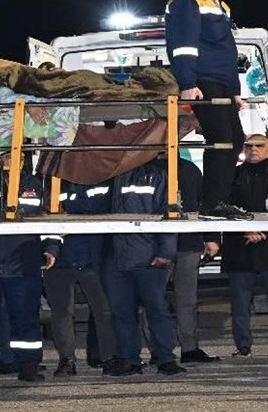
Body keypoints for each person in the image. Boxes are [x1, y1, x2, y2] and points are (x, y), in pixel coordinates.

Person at [164, 0, 249, 220]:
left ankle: (218, 200)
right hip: (202, 81)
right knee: (221, 139)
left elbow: (227, 52)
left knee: (235, 140)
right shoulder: (187, 1)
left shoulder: (221, 7)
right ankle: (212, 203)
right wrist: (187, 84)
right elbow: (183, 46)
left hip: (222, 83)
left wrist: (234, 90)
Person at [0, 158, 60, 384]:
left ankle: (28, 366)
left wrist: (51, 247)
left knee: (25, 318)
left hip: (23, 262)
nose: (10, 158)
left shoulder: (35, 184)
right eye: (5, 153)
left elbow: (49, 217)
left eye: (14, 152)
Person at [102, 160, 187, 376]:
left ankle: (165, 358)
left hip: (147, 256)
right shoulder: (108, 174)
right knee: (121, 312)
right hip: (117, 257)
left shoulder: (156, 175)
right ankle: (129, 359)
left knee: (157, 310)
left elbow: (169, 212)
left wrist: (165, 252)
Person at [222, 134, 268, 359]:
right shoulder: (232, 174)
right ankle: (242, 346)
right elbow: (222, 206)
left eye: (260, 146)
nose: (253, 150)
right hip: (239, 246)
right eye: (249, 146)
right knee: (240, 303)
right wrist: (245, 230)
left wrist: (265, 231)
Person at [43, 180, 116, 375]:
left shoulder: (102, 181)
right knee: (62, 313)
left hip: (92, 258)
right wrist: (51, 249)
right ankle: (67, 360)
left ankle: (108, 358)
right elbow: (47, 218)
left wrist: (69, 213)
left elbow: (98, 210)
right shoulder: (54, 184)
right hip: (61, 260)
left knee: (103, 311)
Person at [170, 156, 221, 364]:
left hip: (185, 242)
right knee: (167, 301)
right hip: (171, 242)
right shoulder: (188, 168)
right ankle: (175, 350)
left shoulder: (188, 169)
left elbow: (202, 204)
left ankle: (186, 349)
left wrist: (210, 237)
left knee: (184, 300)